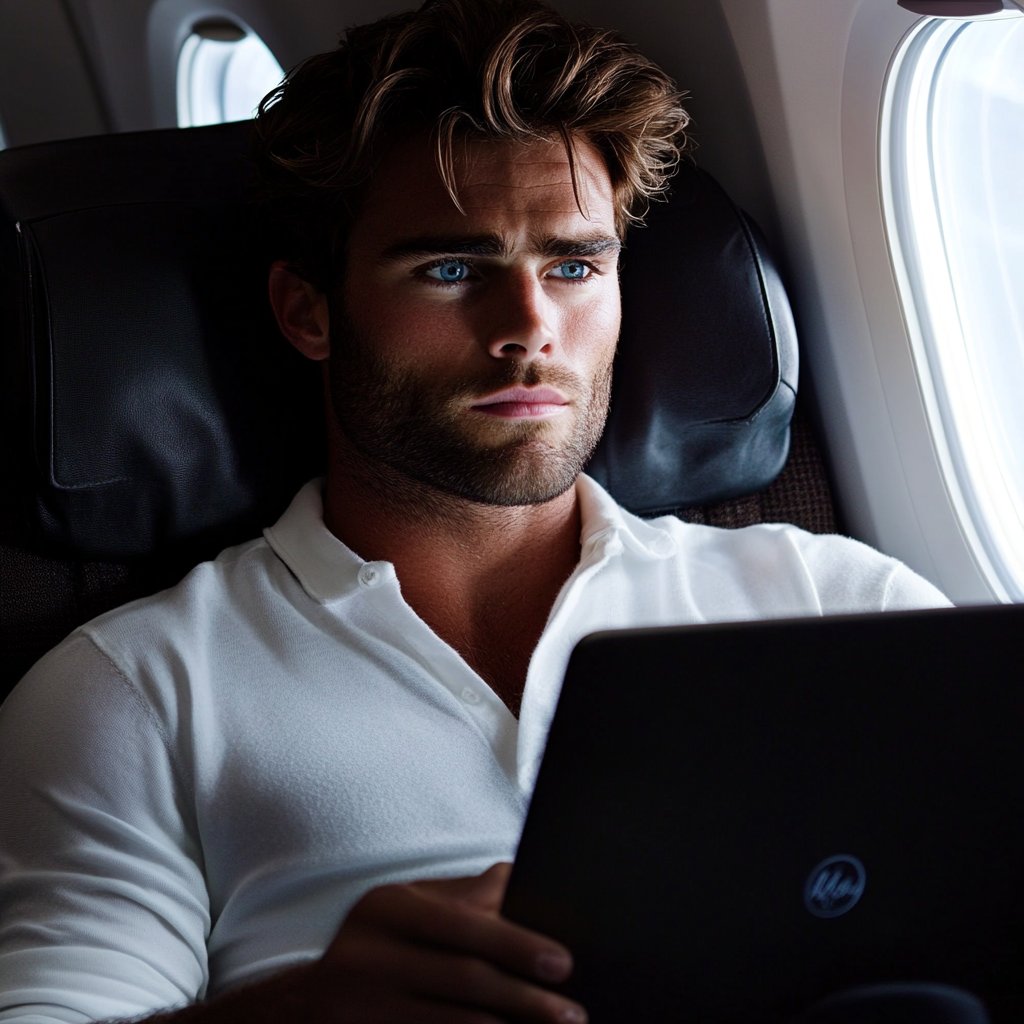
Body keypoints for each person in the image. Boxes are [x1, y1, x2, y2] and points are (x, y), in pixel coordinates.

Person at [0, 0, 949, 1021]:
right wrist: (299, 1011)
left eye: (574, 265)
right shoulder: (136, 689)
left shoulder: (841, 603)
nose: (528, 329)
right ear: (307, 311)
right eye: (452, 269)